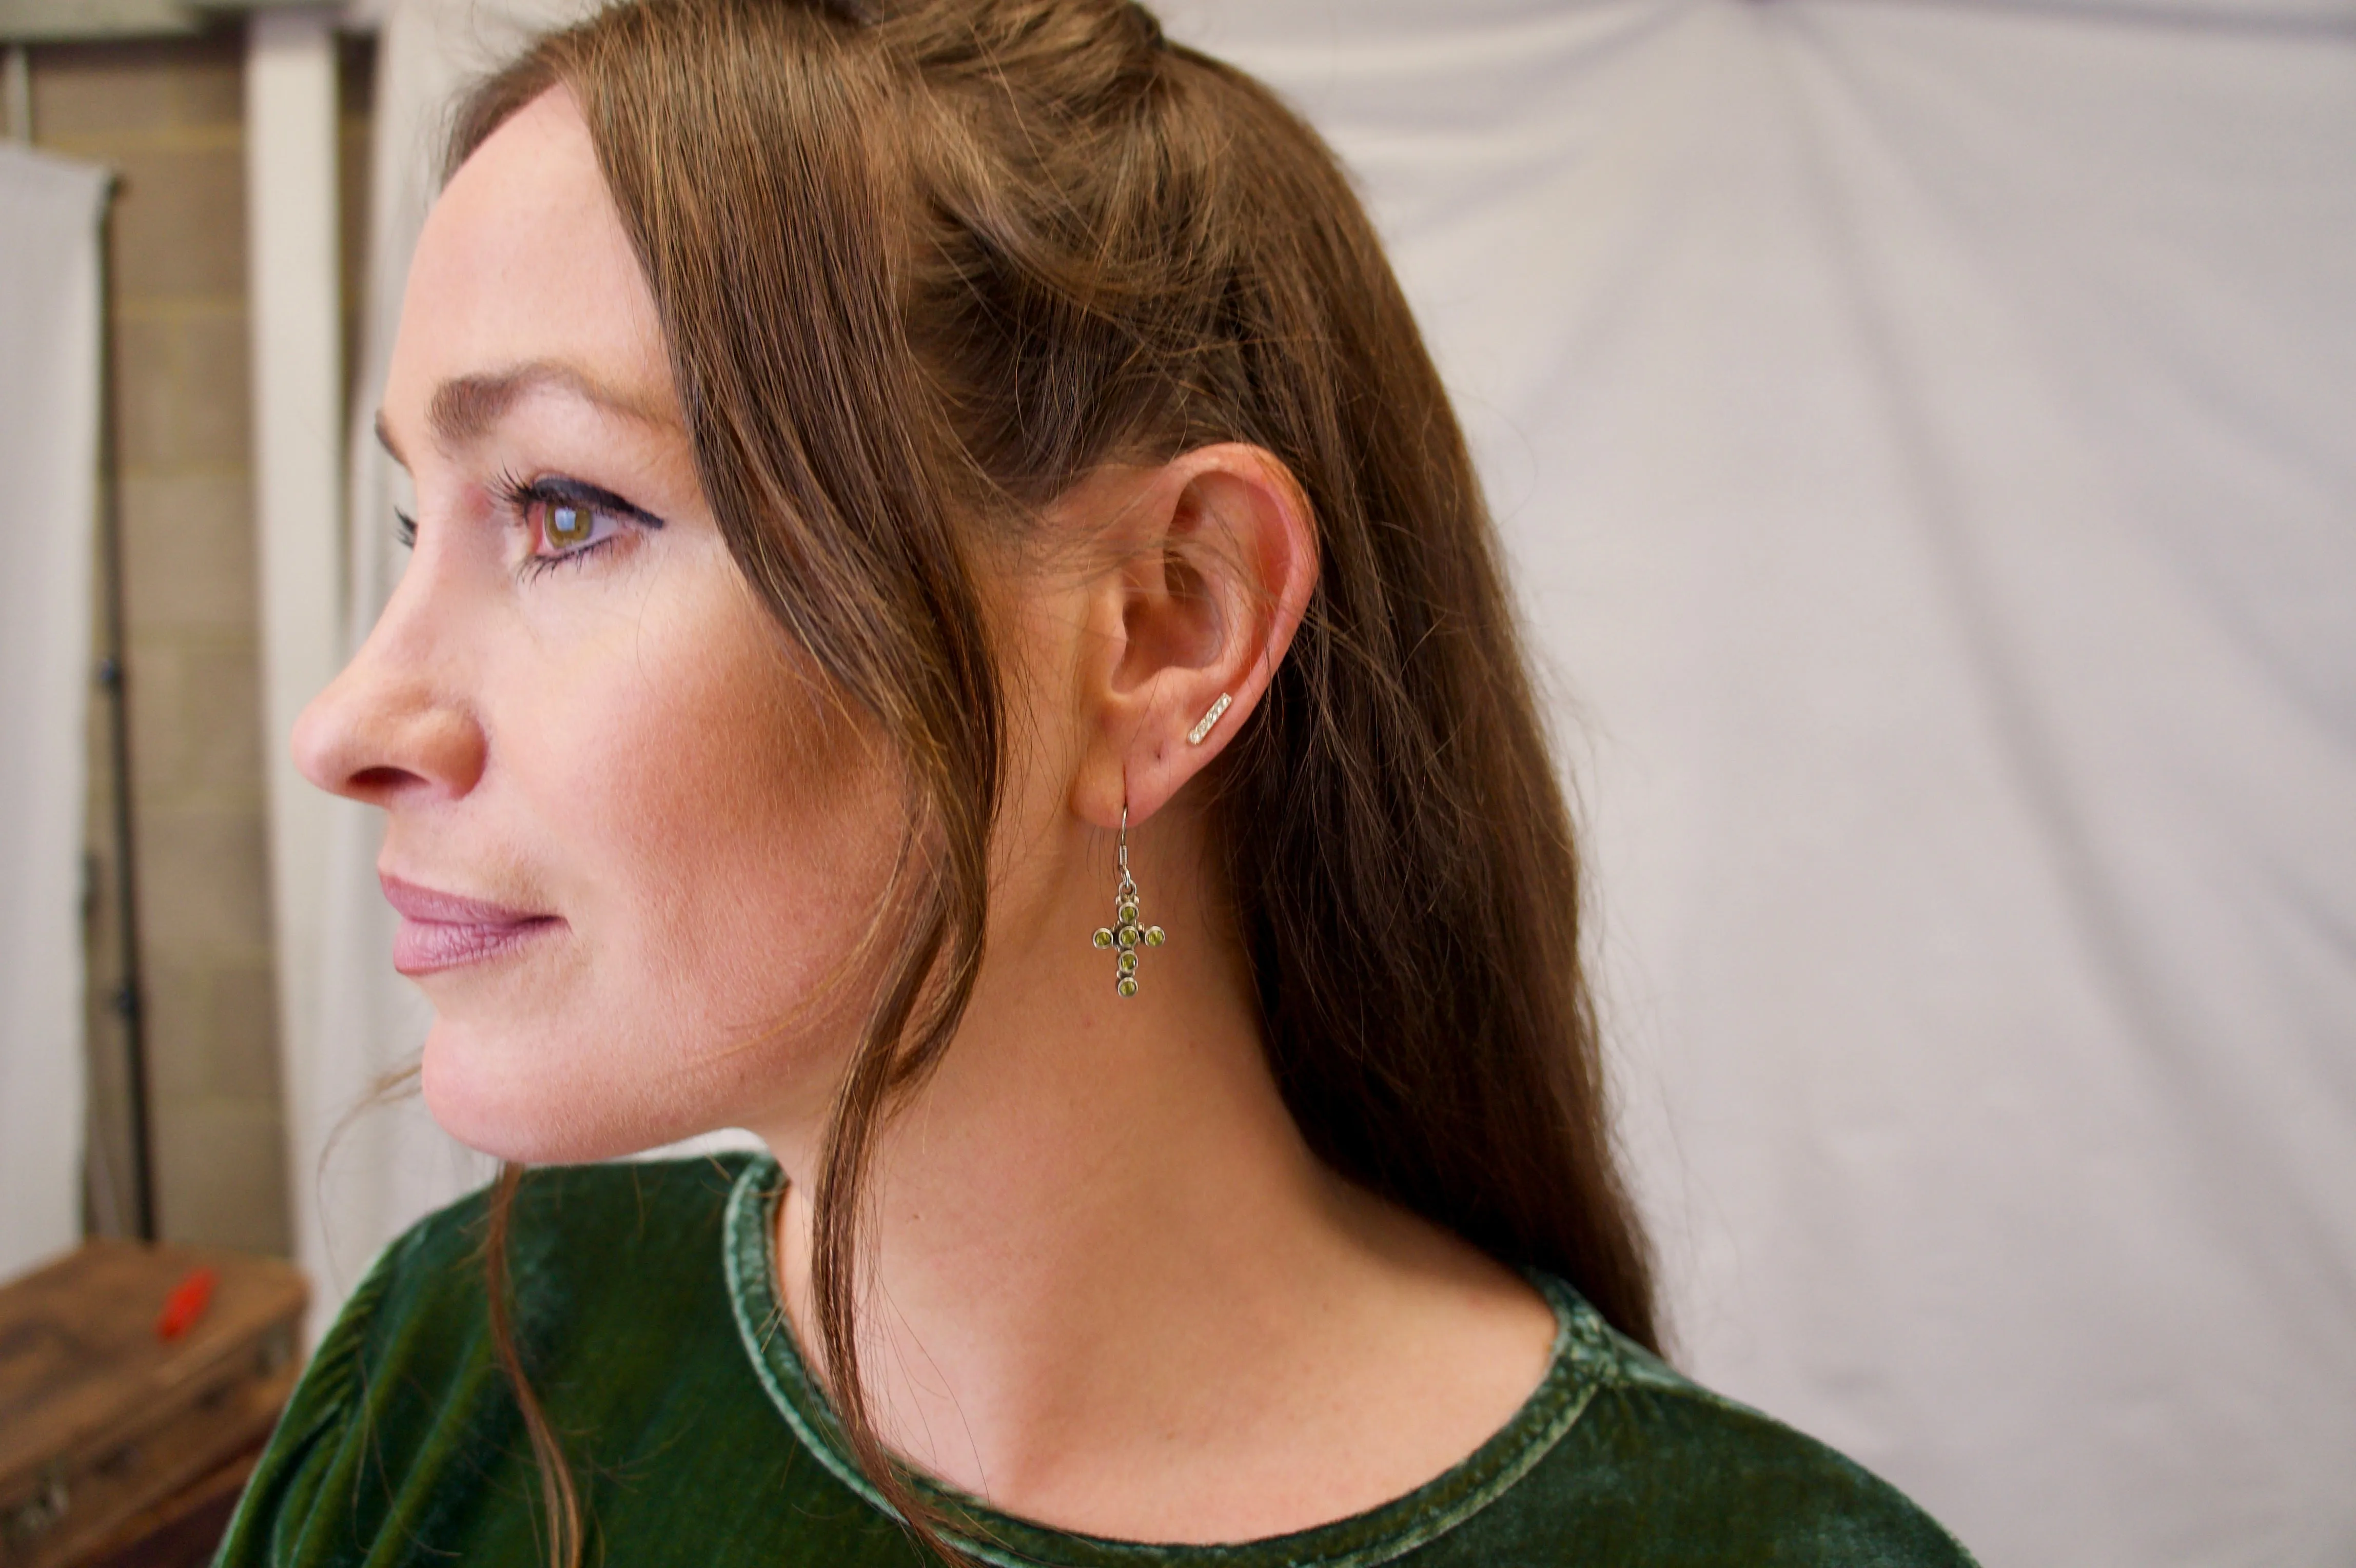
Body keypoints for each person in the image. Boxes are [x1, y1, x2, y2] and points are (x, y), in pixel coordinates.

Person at [218, 0, 1976, 1562]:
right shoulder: (468, 1372)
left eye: (562, 510)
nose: (350, 721)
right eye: (411, 516)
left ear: (1162, 629)